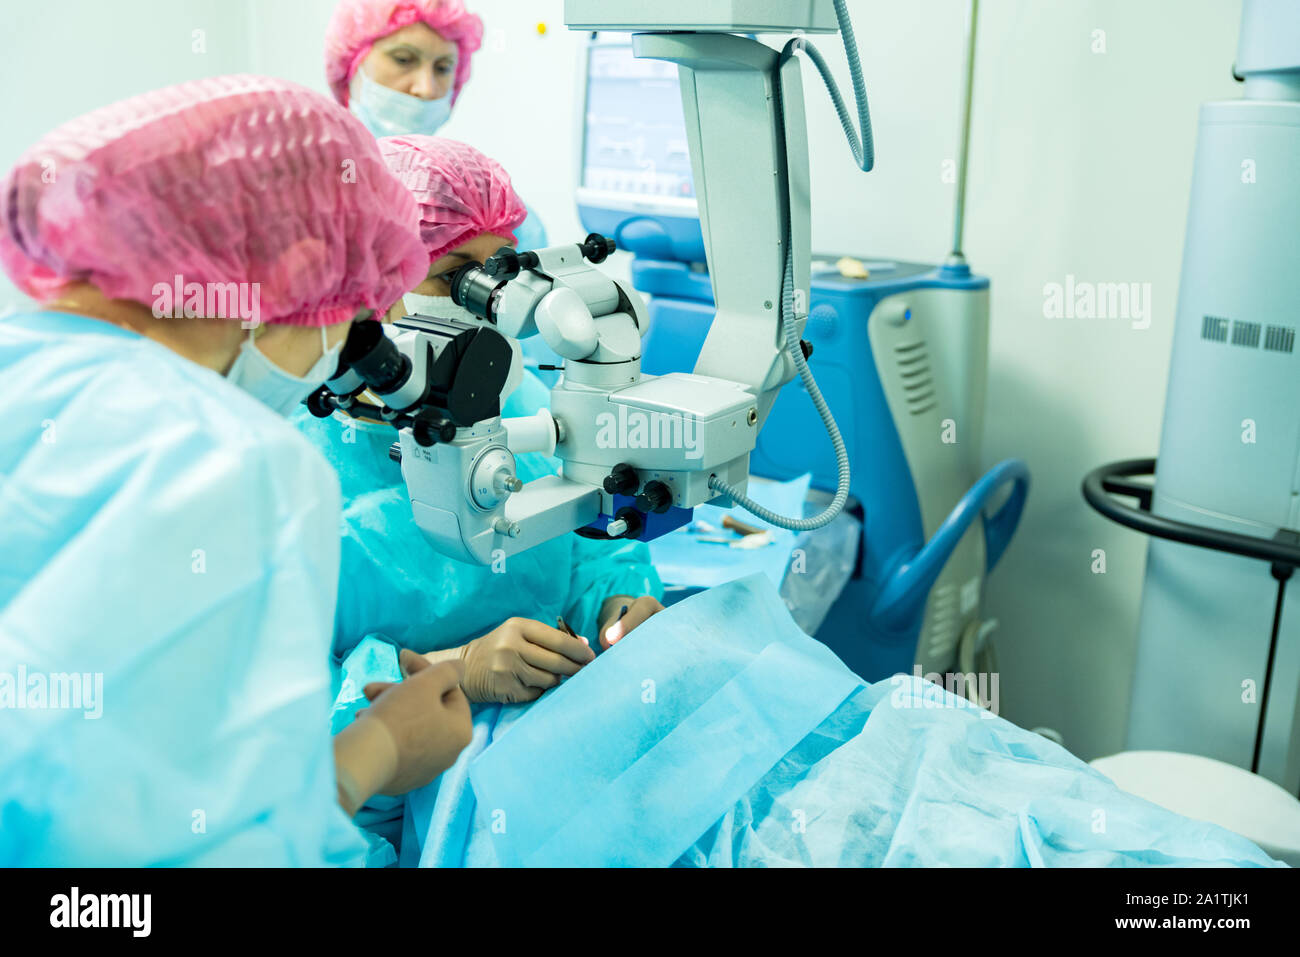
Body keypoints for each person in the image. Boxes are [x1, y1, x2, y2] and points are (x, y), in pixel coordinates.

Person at [0, 75, 473, 866]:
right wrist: (375, 757)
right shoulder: (226, 459)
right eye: (352, 312)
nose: (337, 355)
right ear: (300, 264)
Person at [293, 135, 665, 707]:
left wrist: (616, 609)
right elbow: (267, 710)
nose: (492, 304)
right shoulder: (285, 465)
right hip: (406, 776)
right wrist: (448, 674)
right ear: (363, 290)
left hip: (554, 728)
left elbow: (595, 543)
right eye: (456, 277)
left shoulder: (521, 404)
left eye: (501, 274)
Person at [323, 0, 549, 250]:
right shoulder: (303, 184)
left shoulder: (484, 207)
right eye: (403, 59)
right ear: (350, 66)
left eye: (443, 68)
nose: (425, 88)